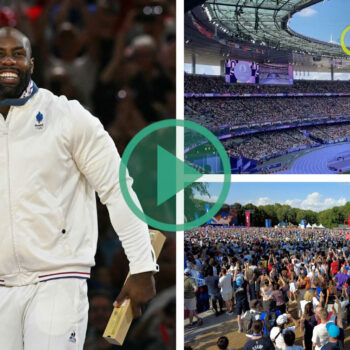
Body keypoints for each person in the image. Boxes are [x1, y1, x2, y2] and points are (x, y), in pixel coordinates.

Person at [0, 27, 158, 349]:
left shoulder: (68, 116)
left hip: (58, 278)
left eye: (18, 54)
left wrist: (141, 266)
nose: (9, 61)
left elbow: (117, 188)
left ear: (32, 63)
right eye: (0, 54)